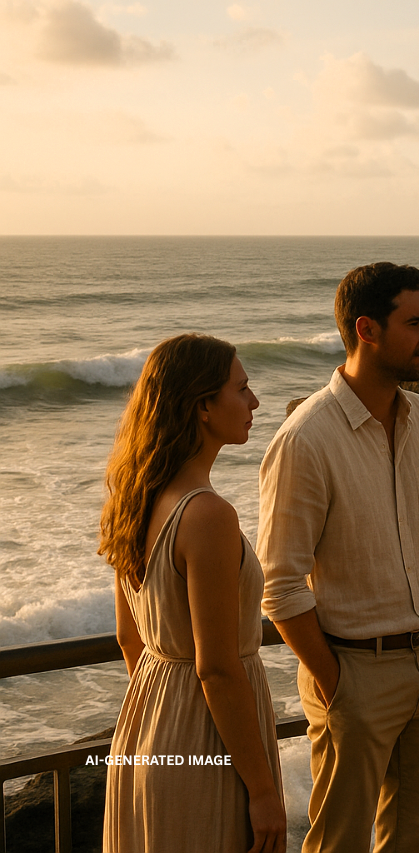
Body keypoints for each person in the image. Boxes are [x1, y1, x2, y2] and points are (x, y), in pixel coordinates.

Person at [258, 262, 419, 853]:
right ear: (367, 329)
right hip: (356, 671)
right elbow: (280, 584)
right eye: (416, 322)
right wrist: (336, 681)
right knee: (339, 844)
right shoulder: (306, 438)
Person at [99, 334, 286, 853]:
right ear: (203, 405)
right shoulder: (207, 514)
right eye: (242, 388)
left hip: (148, 725)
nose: (254, 402)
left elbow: (128, 638)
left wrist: (167, 720)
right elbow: (217, 667)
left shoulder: (133, 498)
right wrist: (264, 790)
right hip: (210, 739)